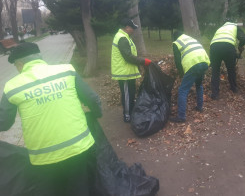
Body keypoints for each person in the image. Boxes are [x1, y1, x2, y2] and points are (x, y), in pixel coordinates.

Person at [0, 42, 102, 196]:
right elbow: (93, 99)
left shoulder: (12, 87)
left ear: (20, 64)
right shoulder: (66, 71)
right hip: (78, 146)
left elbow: (4, 122)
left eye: (15, 66)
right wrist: (97, 114)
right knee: (79, 188)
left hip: (43, 156)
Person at [111, 18, 151, 123]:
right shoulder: (122, 38)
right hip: (124, 73)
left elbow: (131, 54)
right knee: (127, 95)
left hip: (128, 72)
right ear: (127, 27)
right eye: (132, 28)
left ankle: (131, 112)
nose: (133, 30)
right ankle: (127, 115)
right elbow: (128, 57)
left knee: (131, 93)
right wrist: (143, 61)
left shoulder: (125, 37)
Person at [170, 31, 210, 123]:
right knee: (199, 85)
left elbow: (177, 60)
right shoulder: (190, 39)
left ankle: (181, 116)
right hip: (204, 61)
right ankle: (200, 107)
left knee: (182, 90)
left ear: (175, 38)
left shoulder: (176, 43)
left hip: (193, 64)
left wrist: (181, 74)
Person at [210, 21, 245, 98]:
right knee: (231, 69)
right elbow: (244, 39)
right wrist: (240, 46)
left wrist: (235, 54)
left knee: (215, 71)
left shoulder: (220, 28)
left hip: (214, 47)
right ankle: (234, 88)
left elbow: (219, 42)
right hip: (228, 47)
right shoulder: (235, 26)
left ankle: (215, 94)